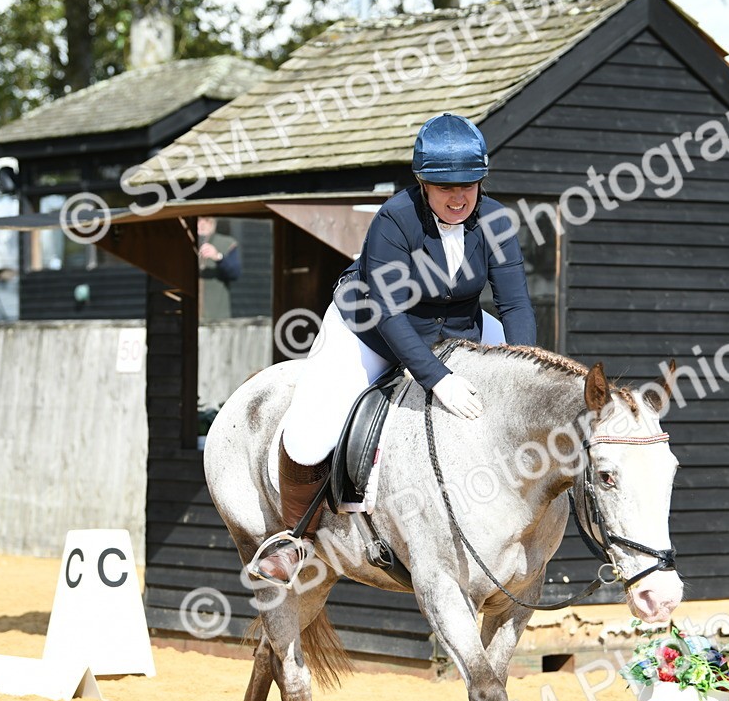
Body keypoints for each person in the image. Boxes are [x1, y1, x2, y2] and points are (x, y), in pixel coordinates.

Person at [251, 113, 536, 585]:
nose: (459, 196)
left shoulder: (496, 220)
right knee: (309, 434)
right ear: (422, 182)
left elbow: (516, 303)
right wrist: (438, 378)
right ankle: (294, 538)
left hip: (458, 326)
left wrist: (523, 375)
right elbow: (388, 314)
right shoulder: (393, 220)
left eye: (470, 183)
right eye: (446, 187)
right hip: (370, 326)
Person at [197, 217, 242, 320]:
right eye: (199, 220)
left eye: (207, 220)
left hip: (216, 316)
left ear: (213, 223)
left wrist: (218, 257)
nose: (202, 224)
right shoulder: (185, 242)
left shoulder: (226, 243)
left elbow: (235, 273)